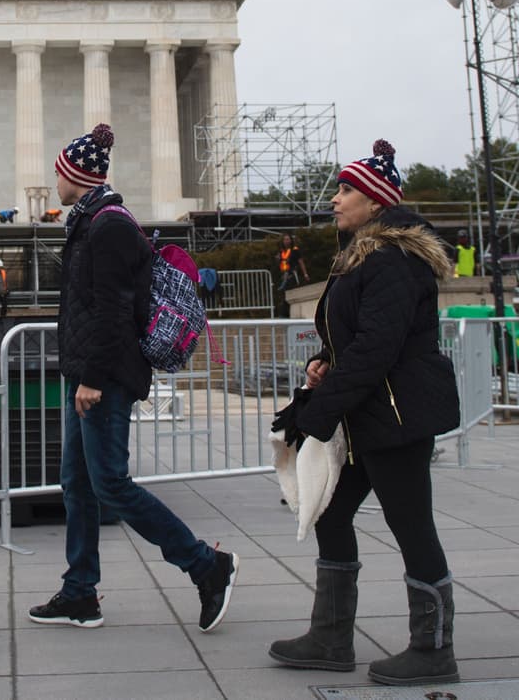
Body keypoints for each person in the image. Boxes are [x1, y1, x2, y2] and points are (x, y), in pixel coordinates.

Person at [29, 123, 238, 633]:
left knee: (112, 486)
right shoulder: (90, 223)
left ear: (75, 175)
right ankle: (80, 592)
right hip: (87, 371)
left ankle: (206, 565)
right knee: (77, 484)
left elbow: (113, 311)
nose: (54, 179)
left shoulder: (109, 227)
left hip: (104, 376)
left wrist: (94, 377)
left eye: (59, 171)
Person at [269, 140, 461, 686]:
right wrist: (322, 362)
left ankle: (434, 649)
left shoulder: (395, 259)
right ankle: (330, 638)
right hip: (368, 412)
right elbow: (355, 340)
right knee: (329, 510)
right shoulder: (365, 255)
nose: (335, 199)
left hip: (397, 416)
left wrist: (315, 413)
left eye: (346, 190)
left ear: (375, 202)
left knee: (411, 526)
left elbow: (379, 348)